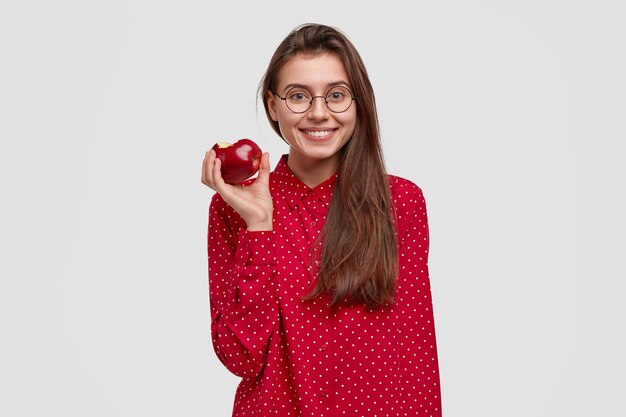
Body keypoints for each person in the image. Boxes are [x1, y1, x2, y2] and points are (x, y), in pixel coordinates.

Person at [201, 23, 442, 417]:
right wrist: (259, 225)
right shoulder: (234, 207)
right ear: (273, 104)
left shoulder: (401, 201)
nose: (318, 113)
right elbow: (239, 356)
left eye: (336, 95)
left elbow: (414, 354)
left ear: (358, 102)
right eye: (298, 96)